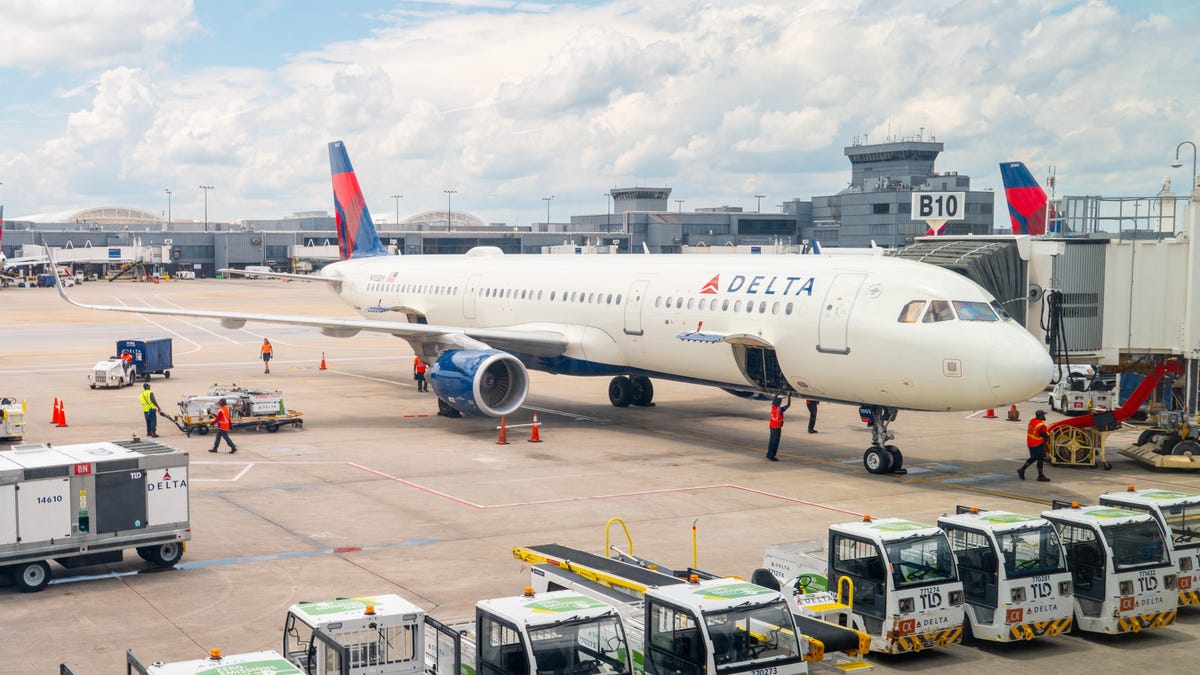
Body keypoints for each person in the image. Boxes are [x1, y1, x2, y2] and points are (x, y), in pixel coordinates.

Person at [1019, 409, 1050, 482]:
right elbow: (1044, 435)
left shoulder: (1032, 420)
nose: (1044, 416)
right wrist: (1048, 438)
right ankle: (1039, 475)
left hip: (1030, 443)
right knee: (1039, 458)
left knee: (1035, 458)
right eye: (1043, 415)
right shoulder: (1041, 426)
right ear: (1041, 416)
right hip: (1037, 444)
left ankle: (1024, 470)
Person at [765, 395, 791, 461]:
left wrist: (778, 393)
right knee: (775, 442)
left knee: (771, 441)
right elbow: (788, 405)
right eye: (780, 402)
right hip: (777, 428)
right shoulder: (780, 410)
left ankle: (768, 454)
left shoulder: (773, 407)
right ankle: (772, 456)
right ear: (779, 403)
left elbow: (774, 398)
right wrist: (789, 396)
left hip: (771, 426)